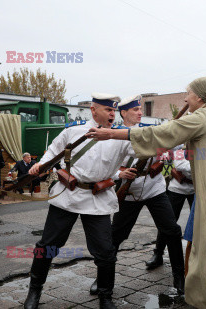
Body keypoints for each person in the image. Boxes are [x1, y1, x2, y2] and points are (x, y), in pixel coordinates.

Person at [87, 77, 206, 309]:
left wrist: (110, 134)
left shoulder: (202, 117)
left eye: (188, 93)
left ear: (200, 98)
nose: (185, 98)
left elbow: (163, 134)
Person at [23, 93, 131, 309]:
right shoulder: (73, 131)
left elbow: (145, 147)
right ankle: (34, 290)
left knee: (105, 251)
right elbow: (53, 151)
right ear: (94, 110)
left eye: (114, 110)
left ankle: (105, 296)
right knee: (48, 246)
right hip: (68, 195)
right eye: (108, 110)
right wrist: (39, 166)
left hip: (98, 198)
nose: (112, 114)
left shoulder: (120, 137)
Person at [89, 95, 185, 295]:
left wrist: (171, 143)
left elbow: (176, 147)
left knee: (172, 230)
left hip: (155, 188)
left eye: (141, 109)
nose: (140, 112)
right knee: (115, 237)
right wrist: (118, 174)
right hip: (129, 192)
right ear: (123, 113)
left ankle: (179, 277)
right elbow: (101, 162)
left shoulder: (153, 132)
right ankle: (102, 278)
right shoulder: (112, 134)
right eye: (135, 110)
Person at [145, 146, 195, 270]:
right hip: (176, 187)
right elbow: (178, 164)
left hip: (197, 188)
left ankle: (196, 257)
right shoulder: (180, 145)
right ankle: (158, 253)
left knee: (198, 223)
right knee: (167, 223)